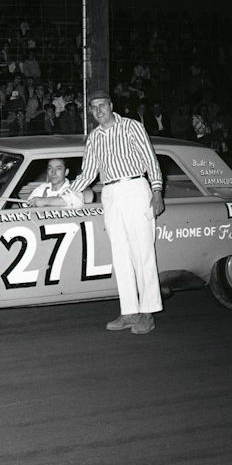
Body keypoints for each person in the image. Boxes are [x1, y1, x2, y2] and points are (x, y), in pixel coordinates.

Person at [68, 90, 164, 335]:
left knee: (142, 252)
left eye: (102, 105)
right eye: (94, 107)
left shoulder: (131, 127)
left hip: (135, 188)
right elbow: (88, 173)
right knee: (120, 254)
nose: (98, 110)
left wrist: (156, 191)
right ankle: (129, 311)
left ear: (111, 105)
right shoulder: (94, 137)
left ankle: (148, 312)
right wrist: (64, 194)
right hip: (110, 193)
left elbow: (150, 160)